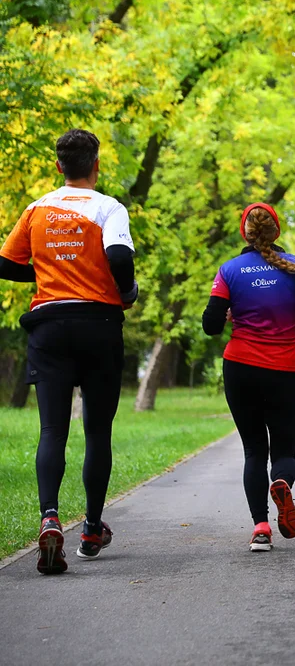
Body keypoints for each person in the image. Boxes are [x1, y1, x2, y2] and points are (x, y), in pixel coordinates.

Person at [0, 129, 137, 574]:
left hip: (49, 328)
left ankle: (50, 517)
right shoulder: (108, 207)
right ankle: (93, 528)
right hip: (98, 325)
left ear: (59, 166)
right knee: (97, 432)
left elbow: (5, 263)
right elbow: (118, 256)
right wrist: (127, 290)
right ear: (96, 165)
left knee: (52, 430)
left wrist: (45, 274)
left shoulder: (37, 209)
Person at [202, 202, 295, 551]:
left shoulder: (229, 270)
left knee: (254, 450)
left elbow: (210, 325)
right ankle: (282, 482)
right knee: (284, 449)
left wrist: (229, 313)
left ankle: (260, 529)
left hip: (240, 368)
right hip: (283, 369)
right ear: (277, 232)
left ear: (245, 232)